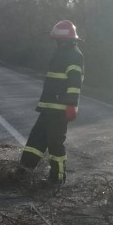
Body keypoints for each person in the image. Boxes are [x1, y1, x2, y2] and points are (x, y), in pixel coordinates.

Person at [18, 20, 84, 184]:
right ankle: (24, 170)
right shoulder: (61, 53)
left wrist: (71, 105)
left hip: (60, 110)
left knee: (55, 143)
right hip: (48, 107)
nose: (56, 43)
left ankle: (58, 177)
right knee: (36, 139)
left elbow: (75, 84)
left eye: (57, 40)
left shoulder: (75, 56)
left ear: (64, 40)